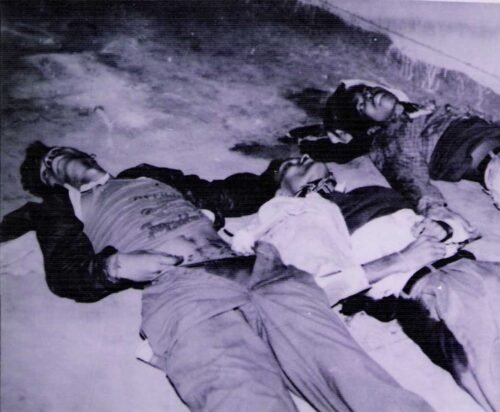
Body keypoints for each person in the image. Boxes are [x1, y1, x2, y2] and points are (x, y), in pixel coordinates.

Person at [0, 141, 433, 412]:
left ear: (90, 154)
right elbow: (65, 273)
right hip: (183, 290)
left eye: (61, 149)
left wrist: (282, 175)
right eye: (50, 164)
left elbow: (227, 192)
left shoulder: (148, 175)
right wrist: (115, 267)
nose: (60, 157)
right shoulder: (60, 208)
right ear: (50, 181)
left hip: (263, 270)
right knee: (239, 394)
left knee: (356, 376)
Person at [232, 155, 500, 412]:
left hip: (490, 271)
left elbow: (461, 227)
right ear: (278, 190)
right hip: (436, 290)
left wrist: (441, 228)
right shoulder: (292, 213)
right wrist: (402, 259)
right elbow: (315, 288)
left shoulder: (364, 192)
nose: (300, 158)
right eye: (288, 165)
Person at [299, 79, 500, 274]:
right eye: (361, 105)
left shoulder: (422, 110)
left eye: (366, 91)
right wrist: (440, 217)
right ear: (369, 126)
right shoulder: (393, 138)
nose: (369, 95)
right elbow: (410, 179)